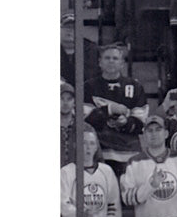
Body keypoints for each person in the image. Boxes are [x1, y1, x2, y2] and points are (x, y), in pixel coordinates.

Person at [120, 115, 177, 217]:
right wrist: (150, 186)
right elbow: (127, 198)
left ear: (166, 134)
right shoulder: (134, 162)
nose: (154, 134)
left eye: (158, 129)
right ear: (144, 135)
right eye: (149, 131)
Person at [82, 43, 149, 177]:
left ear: (122, 64)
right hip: (99, 152)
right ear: (100, 62)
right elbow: (87, 120)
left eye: (115, 58)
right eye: (107, 58)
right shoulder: (88, 86)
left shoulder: (135, 87)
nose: (111, 61)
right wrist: (110, 109)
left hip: (129, 153)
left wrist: (126, 123)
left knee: (126, 195)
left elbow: (141, 122)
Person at [60, 123, 122, 217]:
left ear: (96, 148)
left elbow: (113, 204)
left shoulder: (107, 171)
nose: (88, 147)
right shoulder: (66, 172)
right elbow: (63, 204)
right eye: (84, 143)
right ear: (77, 145)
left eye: (92, 143)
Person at [60, 14, 99, 88]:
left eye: (74, 27)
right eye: (66, 27)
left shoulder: (91, 49)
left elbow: (91, 75)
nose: (70, 31)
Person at [60, 80, 78, 168]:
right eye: (61, 98)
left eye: (69, 99)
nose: (65, 103)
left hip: (76, 178)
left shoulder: (85, 128)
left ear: (74, 102)